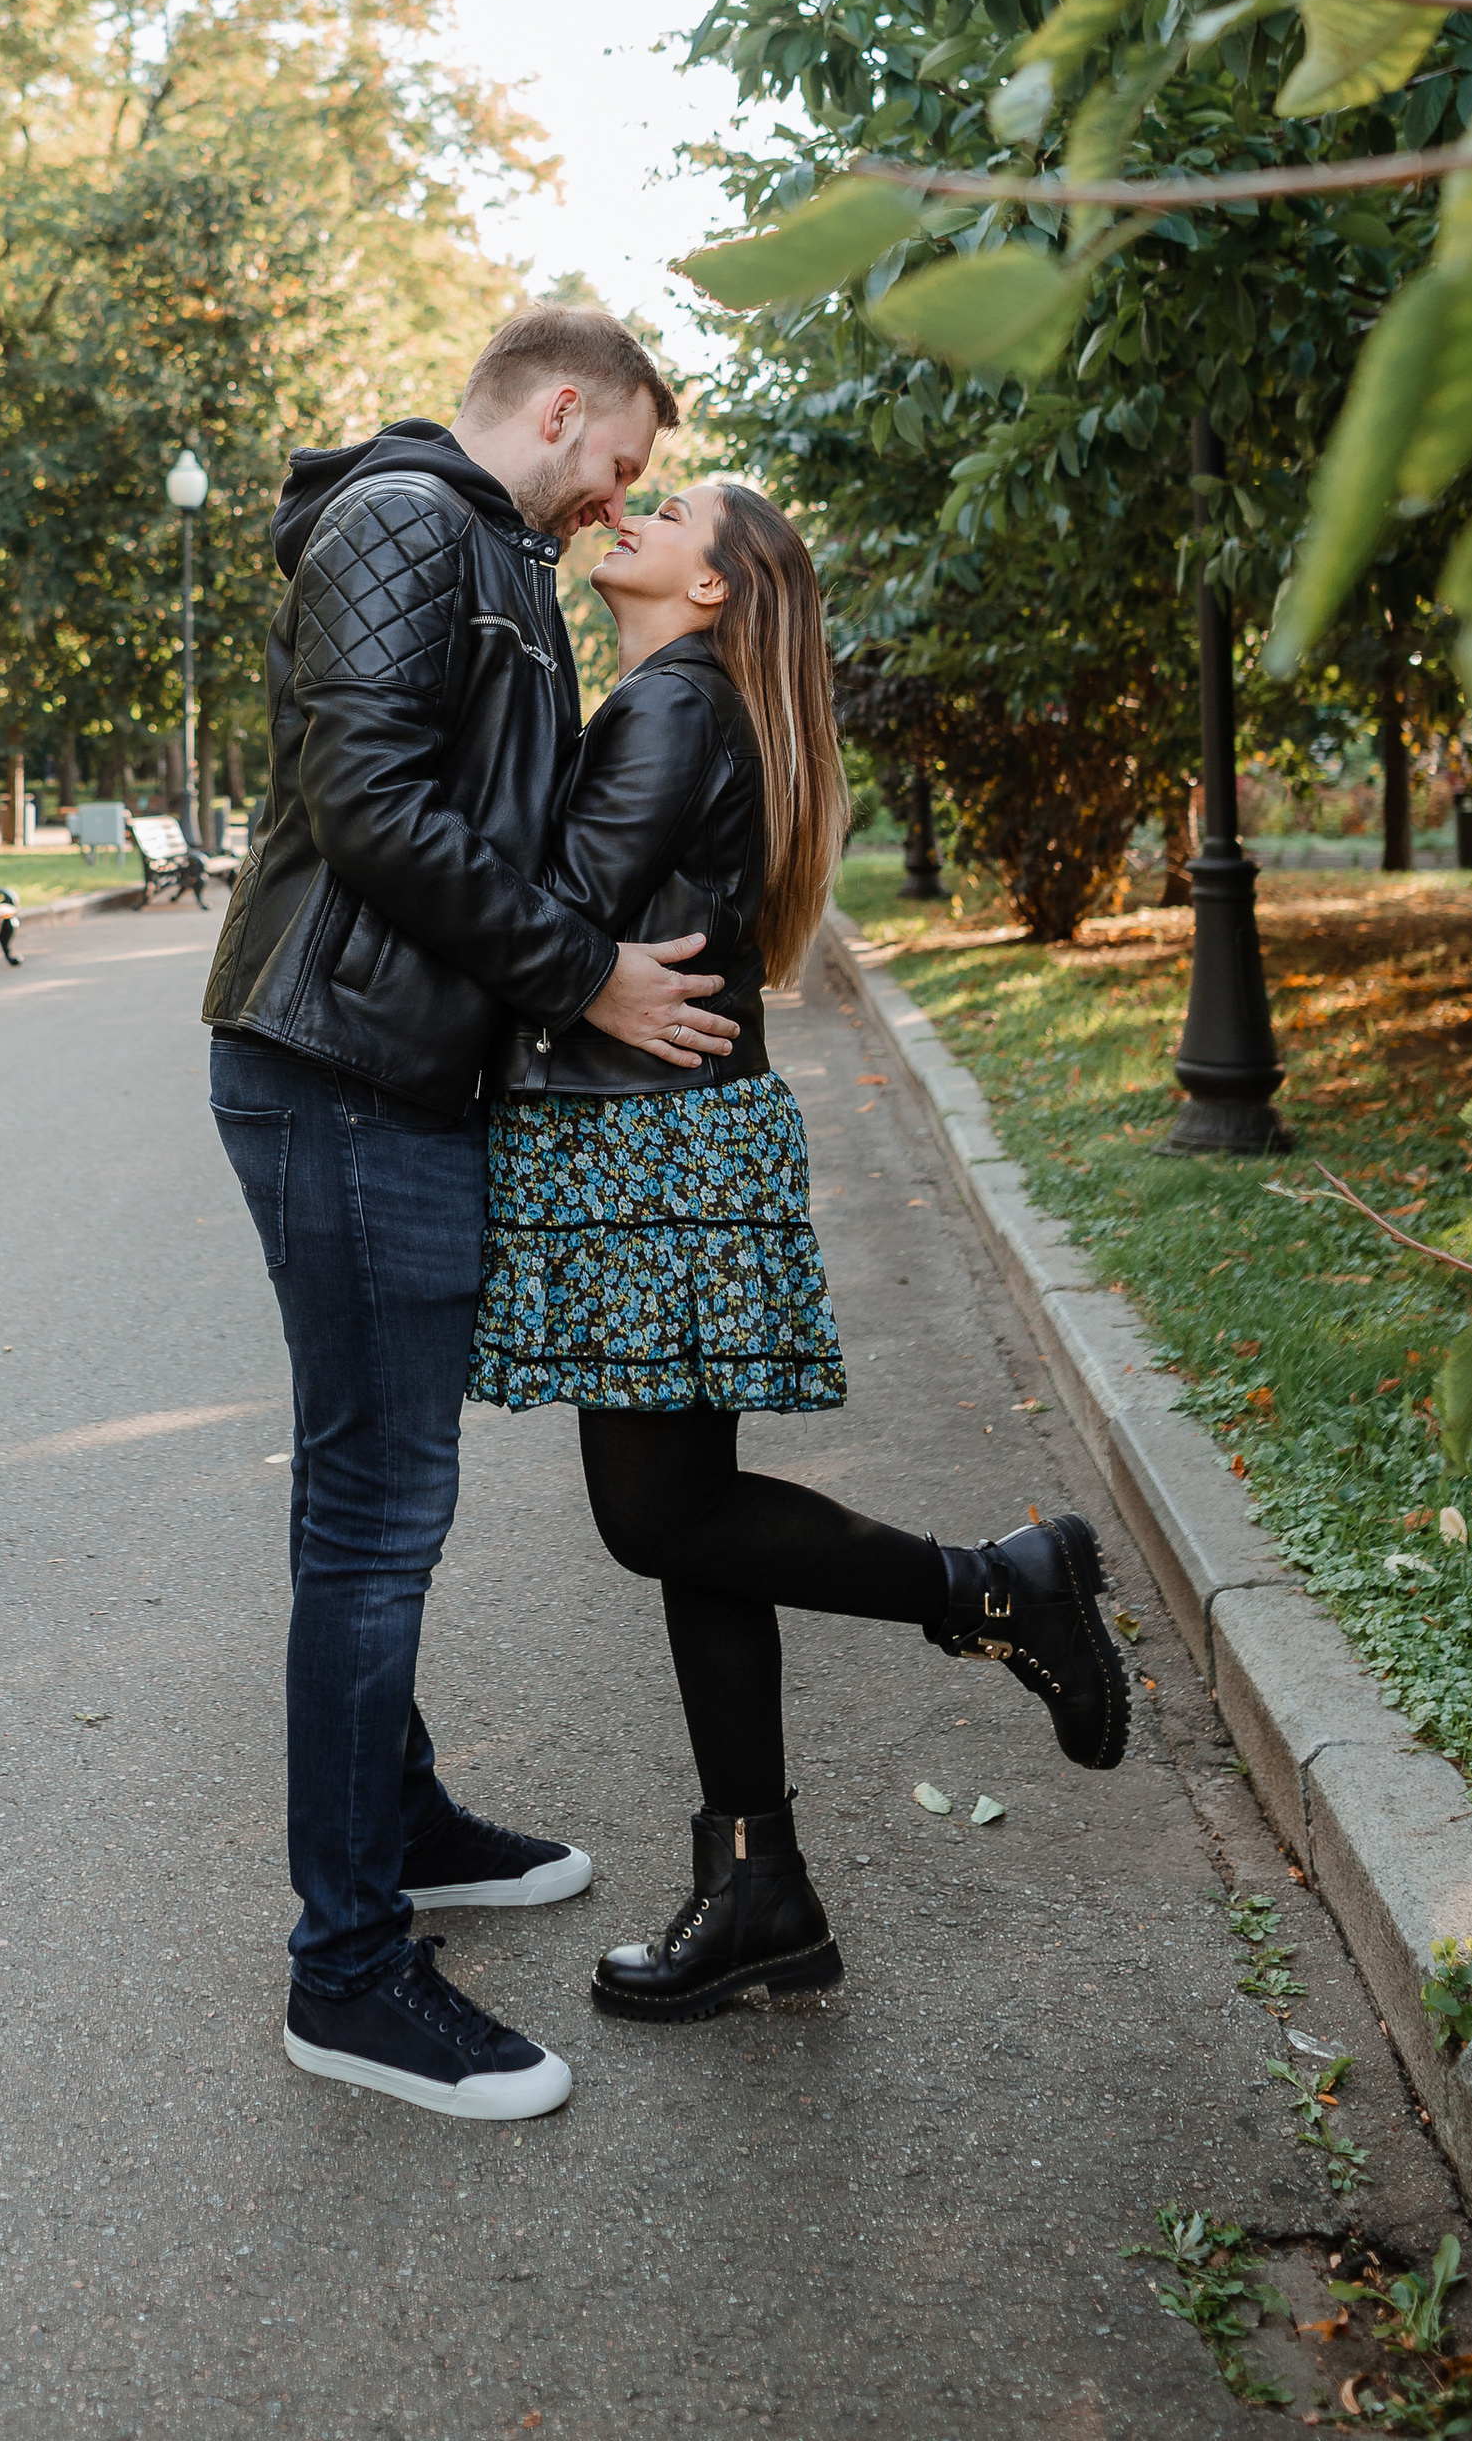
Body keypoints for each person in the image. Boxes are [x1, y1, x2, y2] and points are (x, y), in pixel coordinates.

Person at [468, 474, 1129, 2023]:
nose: (629, 512)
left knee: (656, 1521)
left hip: (645, 1155)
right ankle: (758, 1883)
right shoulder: (681, 700)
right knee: (696, 1517)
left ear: (716, 588)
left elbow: (551, 918)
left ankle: (993, 1584)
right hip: (664, 1142)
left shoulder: (668, 709)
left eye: (672, 509)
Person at [204, 307, 733, 2123]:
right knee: (376, 1512)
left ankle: (402, 1823)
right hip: (336, 1067)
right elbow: (367, 804)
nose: (620, 504)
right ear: (568, 407)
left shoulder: (484, 543)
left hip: (394, 1074)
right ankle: (346, 1975)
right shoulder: (411, 522)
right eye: (624, 465)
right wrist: (585, 974)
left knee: (375, 1490)